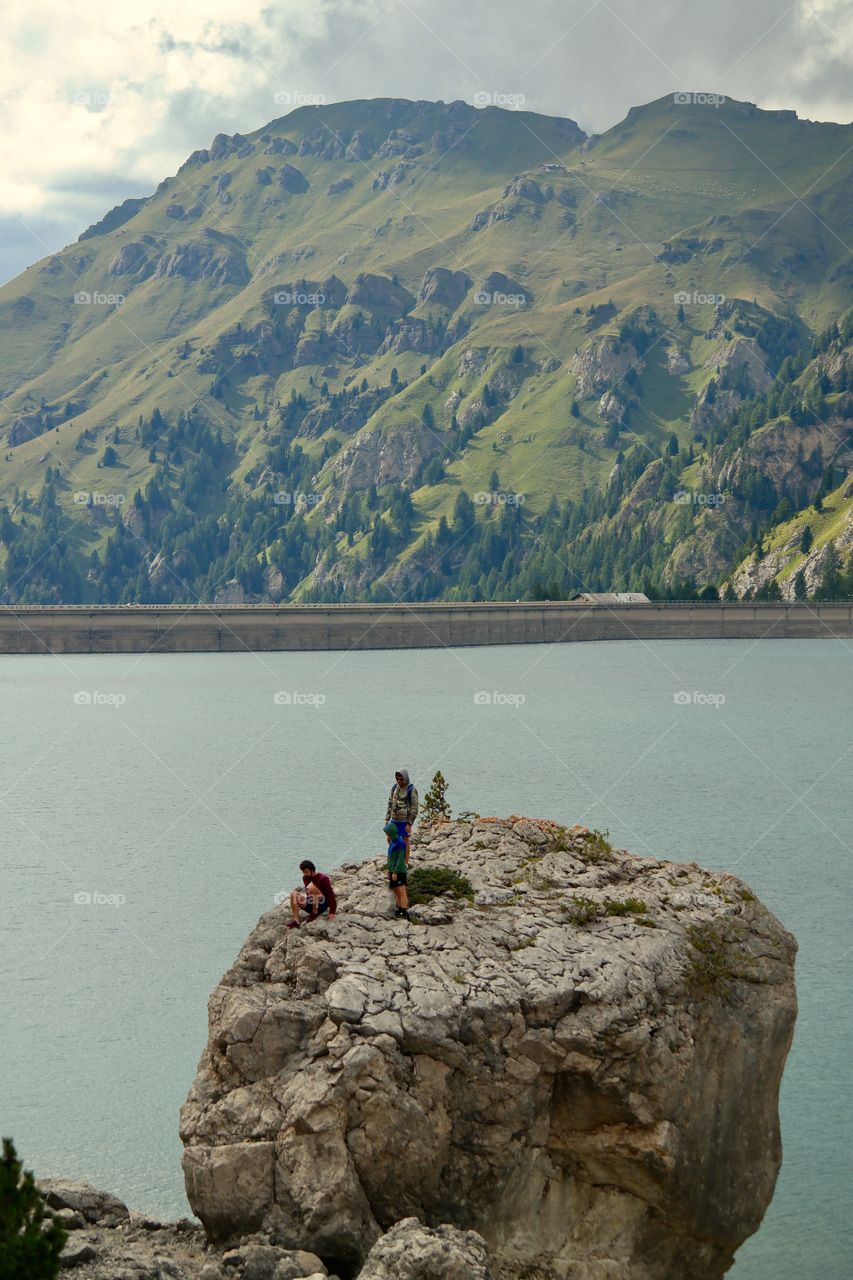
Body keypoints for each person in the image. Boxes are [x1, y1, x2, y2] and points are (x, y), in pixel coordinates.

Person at [286, 860, 337, 929]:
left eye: (306, 872)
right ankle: (296, 921)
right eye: (303, 872)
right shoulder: (305, 878)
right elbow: (308, 893)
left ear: (312, 870)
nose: (305, 874)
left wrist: (332, 912)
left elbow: (331, 895)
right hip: (311, 902)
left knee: (312, 888)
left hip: (322, 904)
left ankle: (314, 913)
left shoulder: (323, 878)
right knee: (293, 894)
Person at [385, 769, 418, 863]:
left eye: (401, 779)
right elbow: (390, 803)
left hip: (404, 820)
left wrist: (409, 823)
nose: (399, 781)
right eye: (397, 779)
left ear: (405, 778)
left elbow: (414, 808)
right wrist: (387, 818)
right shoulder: (394, 788)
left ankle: (405, 863)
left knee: (405, 840)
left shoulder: (411, 790)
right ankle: (396, 855)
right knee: (389, 838)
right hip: (394, 819)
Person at [384, 821, 410, 920]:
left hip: (399, 871)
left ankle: (403, 910)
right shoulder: (393, 842)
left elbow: (400, 859)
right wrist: (389, 869)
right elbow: (390, 858)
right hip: (392, 869)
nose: (387, 835)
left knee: (401, 890)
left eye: (387, 833)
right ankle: (399, 908)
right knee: (396, 890)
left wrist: (395, 872)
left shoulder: (400, 843)